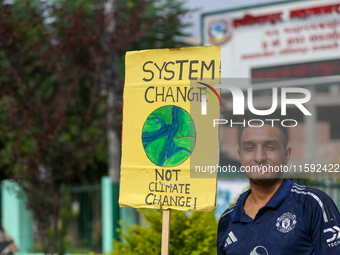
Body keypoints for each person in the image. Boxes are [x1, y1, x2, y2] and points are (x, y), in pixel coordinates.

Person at [217, 118, 340, 255]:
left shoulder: (311, 204)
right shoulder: (227, 220)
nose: (259, 157)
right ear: (240, 156)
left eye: (270, 147)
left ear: (286, 155)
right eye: (249, 148)